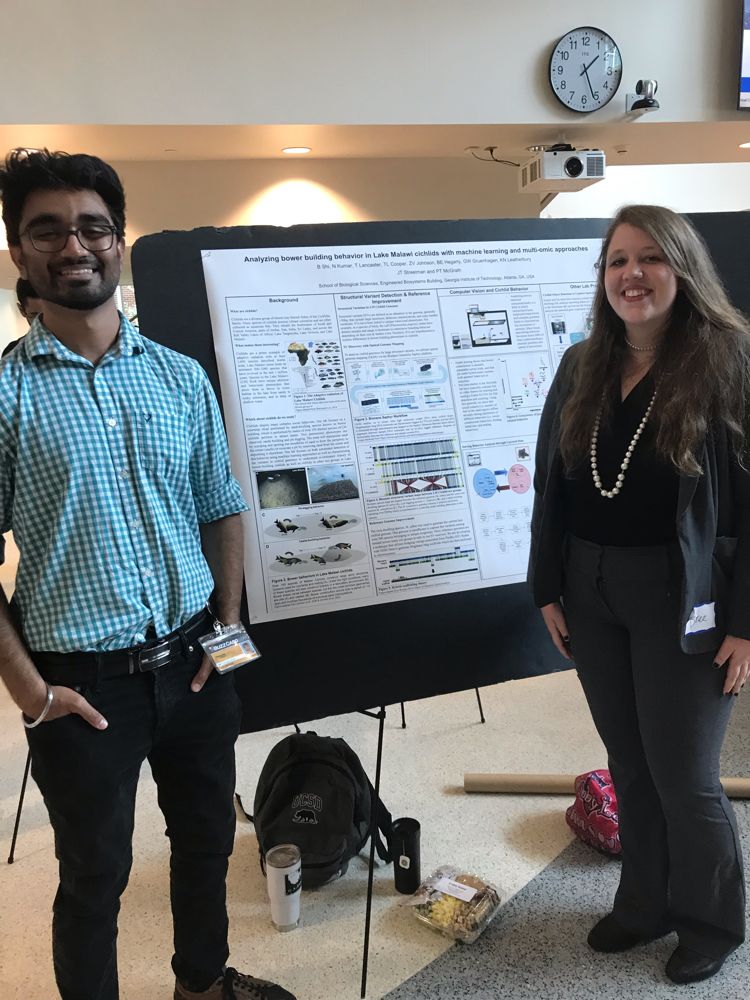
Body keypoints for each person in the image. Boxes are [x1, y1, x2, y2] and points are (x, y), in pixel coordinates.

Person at [0, 148, 296, 1000]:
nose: (74, 245)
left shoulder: (178, 379)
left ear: (119, 241)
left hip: (198, 661)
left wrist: (228, 623)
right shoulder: (9, 399)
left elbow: (221, 505)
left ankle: (201, 985)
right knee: (96, 877)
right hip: (81, 691)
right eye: (47, 229)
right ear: (21, 252)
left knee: (206, 843)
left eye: (93, 226)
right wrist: (32, 694)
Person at [529, 204, 750, 986]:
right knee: (629, 761)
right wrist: (548, 584)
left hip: (685, 591)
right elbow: (551, 488)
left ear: (683, 269)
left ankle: (712, 919)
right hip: (590, 587)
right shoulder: (582, 363)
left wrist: (747, 624)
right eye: (618, 260)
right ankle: (645, 902)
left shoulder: (729, 358)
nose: (633, 274)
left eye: (652, 258)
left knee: (683, 773)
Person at [1, 276, 45, 356]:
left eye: (48, 314)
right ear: (22, 310)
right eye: (34, 315)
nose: (43, 322)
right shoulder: (12, 353)